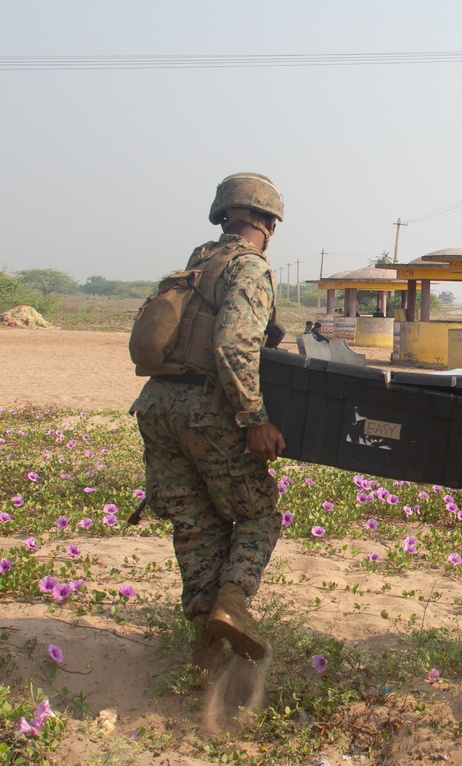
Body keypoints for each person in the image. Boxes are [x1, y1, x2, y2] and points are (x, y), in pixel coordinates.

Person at [130, 172, 287, 674]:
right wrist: (255, 418)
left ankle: (206, 648)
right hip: (207, 411)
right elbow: (234, 344)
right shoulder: (249, 268)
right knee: (259, 514)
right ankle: (233, 602)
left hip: (156, 407)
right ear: (266, 221)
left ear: (224, 217)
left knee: (196, 526)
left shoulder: (195, 267)